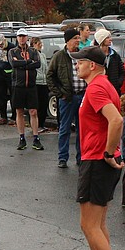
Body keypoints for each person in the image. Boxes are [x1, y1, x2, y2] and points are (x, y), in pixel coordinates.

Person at [68, 46, 125, 250]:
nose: (77, 66)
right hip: (97, 161)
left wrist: (107, 152)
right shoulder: (102, 85)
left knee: (89, 225)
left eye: (79, 63)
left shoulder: (96, 88)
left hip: (96, 161)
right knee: (98, 225)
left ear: (92, 65)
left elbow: (116, 121)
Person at [48, 28, 86, 169]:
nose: (78, 40)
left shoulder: (82, 54)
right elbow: (50, 76)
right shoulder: (59, 56)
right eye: (75, 38)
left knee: (82, 128)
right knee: (65, 128)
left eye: (78, 37)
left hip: (82, 95)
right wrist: (60, 94)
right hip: (67, 98)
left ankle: (81, 156)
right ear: (68, 40)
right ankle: (62, 157)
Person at [7, 31, 42, 151]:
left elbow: (38, 64)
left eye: (24, 36)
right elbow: (14, 63)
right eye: (20, 36)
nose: (22, 39)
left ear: (27, 37)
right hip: (18, 85)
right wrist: (28, 62)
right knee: (19, 111)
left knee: (33, 111)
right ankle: (21, 138)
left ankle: (36, 137)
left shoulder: (33, 51)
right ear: (17, 38)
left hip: (31, 86)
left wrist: (22, 64)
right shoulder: (12, 51)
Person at [0, 33, 13, 125]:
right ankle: (3, 116)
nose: (0, 45)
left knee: (13, 95)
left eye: (1, 43)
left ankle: (14, 117)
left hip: (10, 73)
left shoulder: (11, 48)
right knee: (1, 95)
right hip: (0, 73)